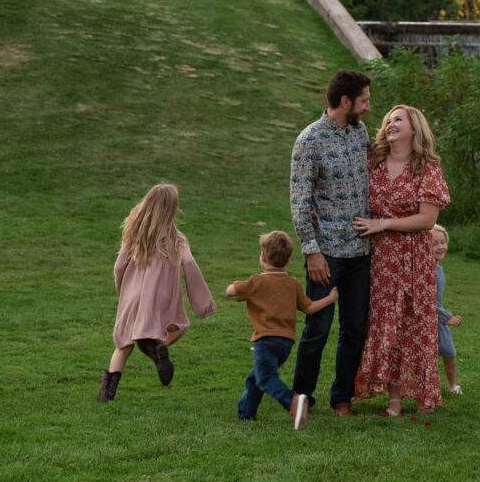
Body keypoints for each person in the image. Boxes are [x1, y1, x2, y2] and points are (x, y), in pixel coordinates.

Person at [352, 105, 450, 416]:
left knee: (415, 323)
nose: (390, 124)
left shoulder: (428, 169)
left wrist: (383, 224)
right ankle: (394, 399)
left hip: (415, 260)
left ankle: (424, 394)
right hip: (381, 258)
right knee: (386, 323)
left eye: (398, 120)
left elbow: (426, 219)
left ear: (414, 129)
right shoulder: (373, 162)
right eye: (388, 120)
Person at [290, 69, 373, 418]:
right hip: (327, 255)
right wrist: (313, 252)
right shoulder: (309, 140)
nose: (368, 107)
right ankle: (301, 398)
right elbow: (300, 201)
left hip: (361, 252)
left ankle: (342, 398)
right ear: (345, 101)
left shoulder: (360, 132)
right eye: (364, 100)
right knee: (317, 329)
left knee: (354, 329)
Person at [98, 184, 216, 402]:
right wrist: (203, 304)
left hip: (133, 297)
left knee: (123, 344)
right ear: (172, 209)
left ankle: (107, 393)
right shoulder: (178, 239)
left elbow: (118, 266)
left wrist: (122, 290)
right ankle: (157, 349)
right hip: (160, 299)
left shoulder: (134, 233)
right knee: (175, 327)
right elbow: (190, 264)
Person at [226, 231, 339, 429]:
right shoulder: (292, 284)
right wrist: (330, 299)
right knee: (256, 377)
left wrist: (233, 287)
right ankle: (245, 414)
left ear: (262, 257)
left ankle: (292, 401)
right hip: (285, 343)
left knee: (265, 378)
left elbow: (230, 291)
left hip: (265, 340)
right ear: (287, 260)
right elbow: (309, 307)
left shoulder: (256, 282)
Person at [432, 224, 463, 395]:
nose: (440, 247)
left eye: (443, 242)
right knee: (430, 356)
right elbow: (428, 301)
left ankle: (451, 385)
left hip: (438, 318)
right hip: (433, 318)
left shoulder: (437, 267)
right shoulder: (428, 271)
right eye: (434, 244)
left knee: (449, 352)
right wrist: (446, 317)